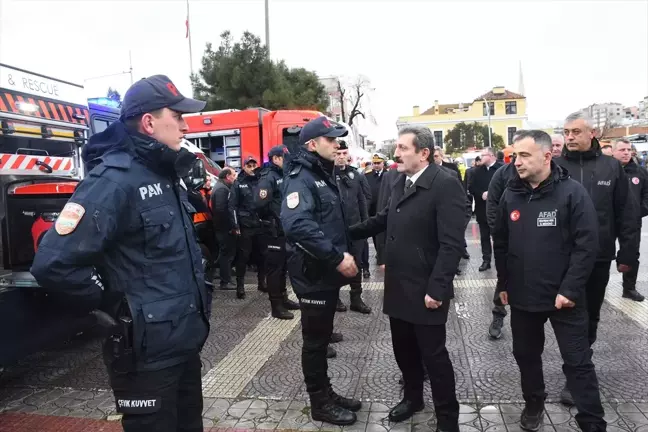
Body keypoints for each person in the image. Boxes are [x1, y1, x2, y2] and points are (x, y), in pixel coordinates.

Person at [30, 75, 209, 432]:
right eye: (178, 116)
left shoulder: (164, 172)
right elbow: (53, 263)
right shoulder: (114, 181)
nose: (186, 125)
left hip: (183, 344)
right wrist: (111, 304)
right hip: (146, 358)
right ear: (149, 122)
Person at [350, 126, 464, 430]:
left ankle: (447, 418)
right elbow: (383, 218)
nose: (396, 154)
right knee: (404, 350)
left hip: (427, 289)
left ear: (423, 153)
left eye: (402, 148)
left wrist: (438, 288)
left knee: (435, 357)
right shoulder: (400, 181)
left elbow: (452, 244)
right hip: (399, 286)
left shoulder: (446, 185)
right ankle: (413, 398)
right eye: (397, 148)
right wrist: (346, 233)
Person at [493, 130, 606, 432]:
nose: (517, 161)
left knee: (578, 363)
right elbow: (501, 244)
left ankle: (592, 422)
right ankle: (534, 403)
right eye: (515, 155)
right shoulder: (510, 194)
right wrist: (503, 284)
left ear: (547, 156)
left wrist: (569, 289)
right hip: (523, 297)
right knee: (526, 356)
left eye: (525, 155)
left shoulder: (572, 192)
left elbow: (587, 244)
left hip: (564, 299)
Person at [280, 116, 362, 426]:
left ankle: (327, 393)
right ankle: (319, 403)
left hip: (324, 271)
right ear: (312, 145)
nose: (337, 144)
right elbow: (297, 225)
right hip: (312, 272)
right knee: (315, 343)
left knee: (323, 338)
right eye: (331, 139)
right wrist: (336, 257)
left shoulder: (324, 174)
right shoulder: (301, 178)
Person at [555, 111, 639, 405]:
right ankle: (574, 373)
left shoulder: (611, 168)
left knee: (590, 316)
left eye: (576, 132)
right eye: (566, 132)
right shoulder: (556, 166)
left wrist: (628, 254)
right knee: (570, 315)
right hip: (562, 259)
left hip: (599, 257)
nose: (569, 137)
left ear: (592, 133)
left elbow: (627, 214)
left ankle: (579, 366)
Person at [484, 130, 525, 340]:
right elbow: (492, 205)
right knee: (504, 280)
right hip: (508, 241)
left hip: (540, 243)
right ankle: (498, 315)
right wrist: (497, 233)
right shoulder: (503, 174)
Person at [255, 145, 301, 319]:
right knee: (274, 269)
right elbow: (260, 203)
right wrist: (272, 218)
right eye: (285, 157)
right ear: (276, 159)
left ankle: (283, 298)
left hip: (283, 229)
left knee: (282, 267)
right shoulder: (268, 177)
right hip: (272, 230)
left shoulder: (283, 175)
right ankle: (276, 306)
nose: (287, 161)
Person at [334, 140, 372, 314]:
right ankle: (335, 298)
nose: (342, 157)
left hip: (355, 227)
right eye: (338, 154)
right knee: (335, 263)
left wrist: (365, 225)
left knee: (356, 263)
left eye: (344, 153)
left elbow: (362, 201)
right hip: (336, 229)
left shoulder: (356, 175)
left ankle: (356, 298)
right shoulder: (326, 176)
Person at [612, 138, 647, 301]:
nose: (626, 152)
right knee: (600, 254)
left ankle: (629, 288)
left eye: (628, 149)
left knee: (631, 254)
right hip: (609, 221)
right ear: (613, 152)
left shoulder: (640, 172)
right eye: (622, 150)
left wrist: (638, 211)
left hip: (632, 222)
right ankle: (596, 287)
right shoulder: (607, 170)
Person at [229, 155, 265, 299]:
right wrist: (236, 225)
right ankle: (240, 286)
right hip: (245, 226)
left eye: (253, 166)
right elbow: (232, 206)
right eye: (248, 166)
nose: (251, 169)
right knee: (243, 257)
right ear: (244, 167)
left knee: (263, 256)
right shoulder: (238, 184)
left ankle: (262, 283)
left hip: (260, 224)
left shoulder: (261, 181)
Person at [468, 147, 503, 271]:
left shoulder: (501, 169)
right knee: (484, 236)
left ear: (492, 156)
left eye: (483, 155)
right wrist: (481, 193)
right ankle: (486, 260)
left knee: (499, 237)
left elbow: (508, 186)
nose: (480, 158)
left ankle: (502, 261)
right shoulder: (476, 171)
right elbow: (471, 187)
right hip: (482, 209)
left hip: (499, 210)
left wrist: (493, 194)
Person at [212, 167, 238, 290]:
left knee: (226, 254)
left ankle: (226, 278)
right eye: (233, 174)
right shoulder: (222, 190)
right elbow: (222, 211)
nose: (235, 177)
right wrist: (230, 227)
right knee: (226, 255)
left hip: (221, 228)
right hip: (223, 229)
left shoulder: (221, 187)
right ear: (227, 176)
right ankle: (225, 281)